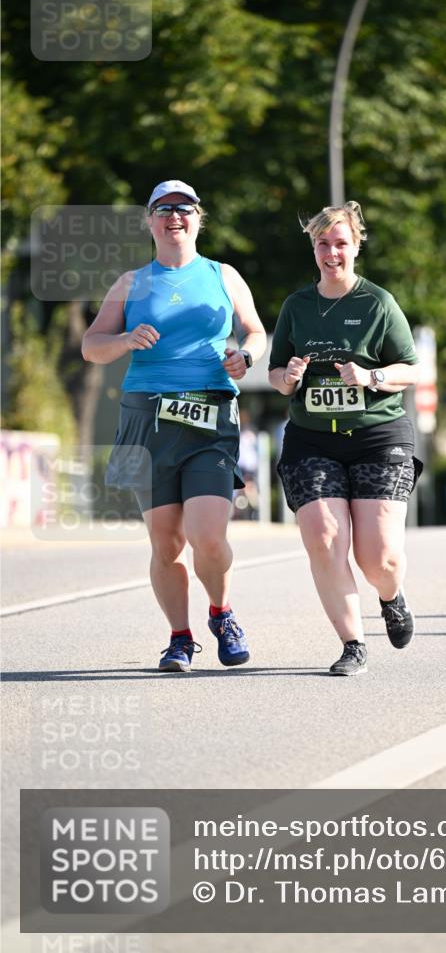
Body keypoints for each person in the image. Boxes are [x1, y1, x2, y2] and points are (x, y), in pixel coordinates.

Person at [82, 179, 266, 673]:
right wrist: (123, 339)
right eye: (163, 210)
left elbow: (255, 330)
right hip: (147, 417)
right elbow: (92, 346)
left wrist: (245, 355)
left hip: (211, 414)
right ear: (150, 221)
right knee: (166, 543)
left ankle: (222, 613)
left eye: (184, 209)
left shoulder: (223, 275)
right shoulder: (131, 283)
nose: (174, 217)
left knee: (209, 537)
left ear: (198, 218)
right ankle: (179, 639)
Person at [268, 201, 421, 676]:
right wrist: (288, 376)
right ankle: (352, 644)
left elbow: (411, 370)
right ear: (313, 248)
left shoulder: (377, 303)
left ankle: (391, 597)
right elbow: (275, 374)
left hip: (377, 435)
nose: (331, 253)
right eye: (322, 244)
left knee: (378, 558)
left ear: (356, 246)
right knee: (325, 537)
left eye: (340, 243)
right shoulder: (296, 306)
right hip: (312, 439)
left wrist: (370, 377)